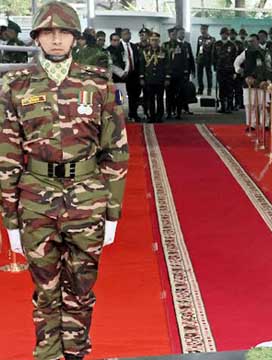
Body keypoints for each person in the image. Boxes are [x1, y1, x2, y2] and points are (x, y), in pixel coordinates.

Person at [0, 2, 129, 359]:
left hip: (87, 201)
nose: (56, 40)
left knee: (82, 289)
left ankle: (76, 354)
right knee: (45, 291)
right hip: (36, 201)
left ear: (74, 38)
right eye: (48, 33)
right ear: (37, 38)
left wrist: (112, 211)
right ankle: (48, 355)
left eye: (63, 33)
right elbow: (6, 153)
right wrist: (10, 218)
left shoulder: (98, 82)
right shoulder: (15, 85)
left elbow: (115, 151)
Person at [140, 31, 170, 123]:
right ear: (149, 41)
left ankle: (159, 116)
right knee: (150, 99)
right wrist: (141, 77)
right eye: (152, 40)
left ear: (159, 41)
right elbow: (142, 65)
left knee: (160, 99)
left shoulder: (164, 51)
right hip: (149, 79)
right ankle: (151, 116)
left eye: (156, 40)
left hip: (160, 79)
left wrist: (167, 78)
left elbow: (167, 65)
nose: (154, 42)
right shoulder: (145, 52)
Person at [163, 27, 191, 119]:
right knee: (169, 94)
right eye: (172, 34)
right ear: (169, 35)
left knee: (179, 94)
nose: (173, 36)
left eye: (175, 34)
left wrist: (186, 72)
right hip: (168, 74)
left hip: (179, 74)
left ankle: (178, 113)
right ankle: (169, 112)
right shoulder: (164, 45)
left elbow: (185, 60)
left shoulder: (181, 45)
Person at [213, 27, 238, 114]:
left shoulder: (232, 45)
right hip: (220, 69)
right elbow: (214, 57)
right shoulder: (216, 44)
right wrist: (215, 67)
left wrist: (235, 71)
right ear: (221, 34)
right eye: (223, 33)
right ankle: (222, 106)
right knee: (221, 88)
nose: (225, 35)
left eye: (226, 34)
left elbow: (235, 59)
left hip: (229, 70)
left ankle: (229, 106)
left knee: (230, 88)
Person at [120, 28, 142, 121]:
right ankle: (123, 115)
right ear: (121, 36)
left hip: (134, 74)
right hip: (123, 75)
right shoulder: (119, 46)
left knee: (135, 95)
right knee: (123, 96)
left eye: (129, 33)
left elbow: (137, 60)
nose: (127, 35)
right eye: (125, 34)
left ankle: (133, 113)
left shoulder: (133, 46)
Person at [196, 24, 215, 96]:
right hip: (200, 59)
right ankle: (200, 89)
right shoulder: (199, 38)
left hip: (208, 59)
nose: (202, 30)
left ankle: (209, 90)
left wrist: (212, 60)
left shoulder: (212, 39)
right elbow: (198, 48)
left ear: (207, 30)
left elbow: (213, 51)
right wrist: (196, 57)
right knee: (199, 75)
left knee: (209, 75)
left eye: (204, 29)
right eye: (201, 29)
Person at [230, 28, 245, 110]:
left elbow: (242, 57)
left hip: (238, 68)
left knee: (238, 88)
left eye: (234, 34)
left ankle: (238, 103)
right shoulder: (226, 44)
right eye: (231, 34)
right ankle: (230, 104)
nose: (232, 36)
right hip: (228, 68)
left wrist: (241, 69)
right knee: (230, 88)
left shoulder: (239, 44)